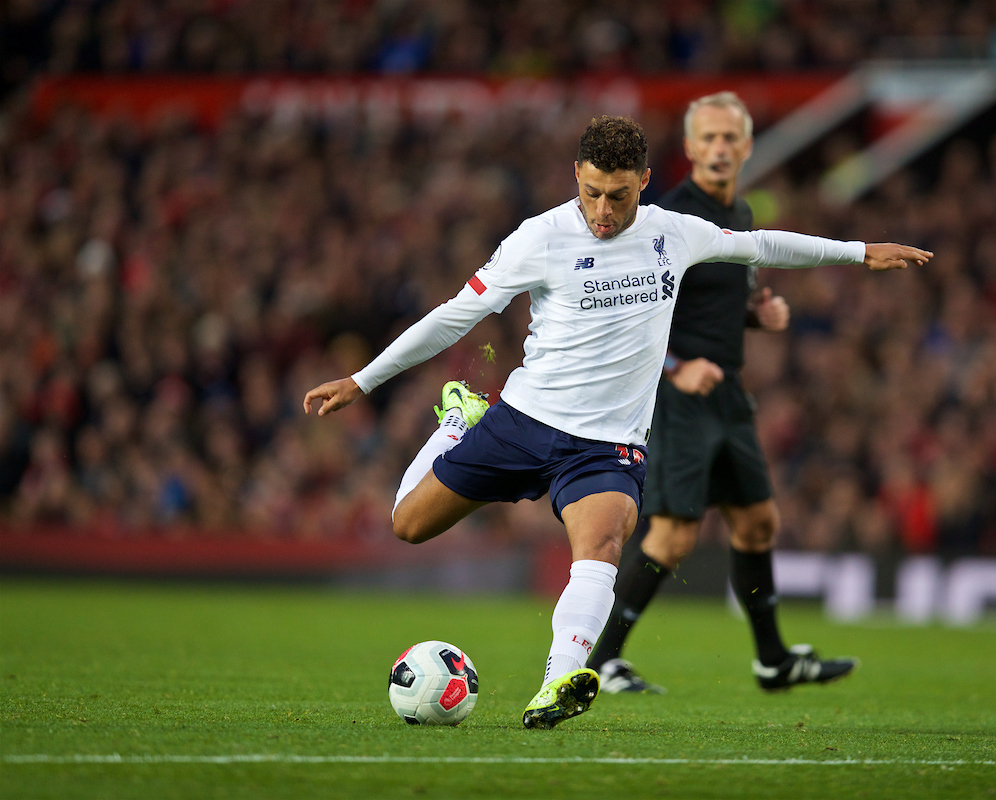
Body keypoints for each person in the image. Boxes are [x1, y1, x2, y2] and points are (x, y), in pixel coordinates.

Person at [304, 115, 931, 730]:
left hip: (606, 445)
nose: (604, 210)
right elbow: (454, 315)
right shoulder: (540, 237)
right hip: (522, 421)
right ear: (576, 174)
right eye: (592, 193)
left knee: (602, 544)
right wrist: (362, 380)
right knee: (407, 525)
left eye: (620, 196)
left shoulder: (675, 234)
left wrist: (857, 253)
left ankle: (558, 680)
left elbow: (760, 243)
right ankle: (457, 422)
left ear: (646, 182)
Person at [586, 93, 858, 695]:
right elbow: (626, 312)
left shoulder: (740, 213)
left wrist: (757, 313)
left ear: (747, 146)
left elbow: (712, 304)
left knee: (758, 522)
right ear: (688, 148)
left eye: (729, 138)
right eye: (707, 138)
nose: (719, 148)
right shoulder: (663, 217)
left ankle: (772, 660)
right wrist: (678, 365)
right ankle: (598, 662)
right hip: (677, 394)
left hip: (728, 394)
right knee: (673, 536)